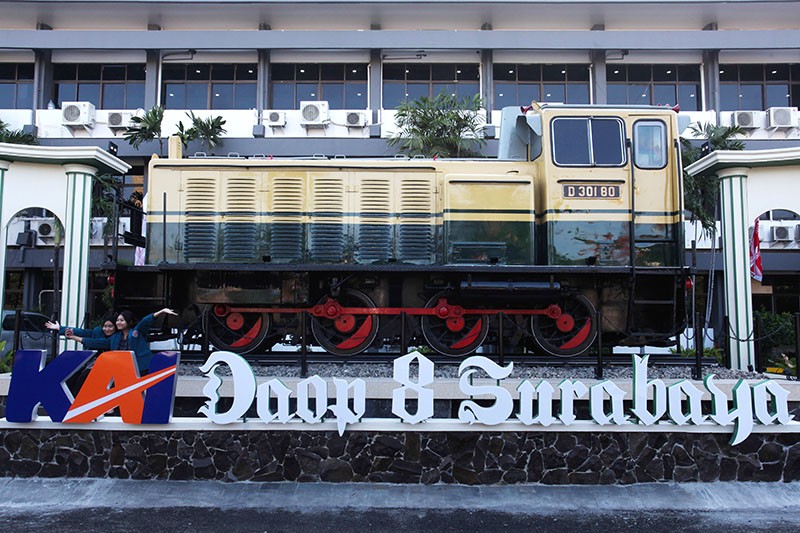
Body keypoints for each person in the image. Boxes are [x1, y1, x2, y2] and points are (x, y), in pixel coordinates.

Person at [66, 308, 177, 374]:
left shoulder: (136, 332)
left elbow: (145, 322)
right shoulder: (115, 337)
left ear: (128, 322)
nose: (118, 322)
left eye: (122, 320)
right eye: (118, 320)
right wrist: (74, 337)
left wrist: (161, 311)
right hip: (123, 369)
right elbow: (96, 342)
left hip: (141, 368)